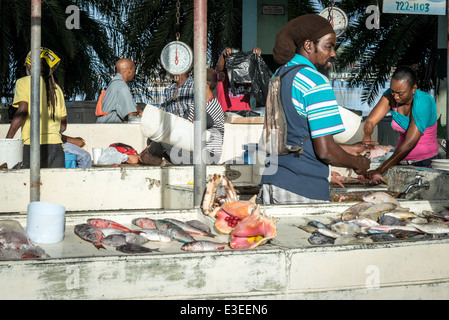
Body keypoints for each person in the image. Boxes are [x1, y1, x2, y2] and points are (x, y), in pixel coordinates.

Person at [258, 14, 373, 204]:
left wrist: (346, 149)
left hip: (272, 182)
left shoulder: (279, 76)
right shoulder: (316, 81)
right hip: (302, 188)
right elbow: (325, 151)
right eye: (329, 46)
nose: (333, 53)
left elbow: (296, 137)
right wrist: (358, 164)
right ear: (309, 45)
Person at [362, 65, 439, 179]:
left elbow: (409, 143)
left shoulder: (423, 102)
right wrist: (367, 139)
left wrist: (380, 169)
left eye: (400, 93)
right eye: (393, 91)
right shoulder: (390, 96)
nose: (396, 97)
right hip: (400, 160)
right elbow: (370, 122)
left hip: (425, 163)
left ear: (413, 88)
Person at [137, 68, 225, 165]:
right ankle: (152, 158)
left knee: (161, 138)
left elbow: (188, 131)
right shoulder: (199, 103)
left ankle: (151, 158)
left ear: (206, 85)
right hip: (195, 150)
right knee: (154, 138)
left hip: (206, 156)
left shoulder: (211, 106)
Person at [6, 48, 67, 168]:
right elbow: (63, 126)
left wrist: (8, 139)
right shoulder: (57, 89)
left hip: (32, 146)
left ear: (29, 65)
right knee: (54, 186)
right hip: (57, 149)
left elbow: (22, 112)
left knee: (32, 186)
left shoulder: (24, 82)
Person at [96, 58, 142, 123]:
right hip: (108, 130)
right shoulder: (122, 87)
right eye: (134, 70)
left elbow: (132, 105)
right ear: (129, 71)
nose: (134, 72)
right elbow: (132, 116)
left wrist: (140, 111)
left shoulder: (114, 84)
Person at [215, 47, 261, 112]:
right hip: (225, 114)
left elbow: (259, 77)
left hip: (244, 114)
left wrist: (257, 58)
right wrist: (223, 54)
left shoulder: (248, 74)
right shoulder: (223, 74)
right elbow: (219, 69)